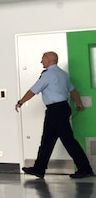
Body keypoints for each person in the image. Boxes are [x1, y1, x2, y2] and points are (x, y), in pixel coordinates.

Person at [15, 51, 94, 179]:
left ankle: (85, 168)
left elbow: (33, 90)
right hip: (61, 109)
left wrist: (21, 102)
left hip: (56, 111)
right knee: (47, 140)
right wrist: (78, 103)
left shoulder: (47, 75)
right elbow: (73, 91)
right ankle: (39, 168)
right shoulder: (63, 74)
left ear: (50, 60)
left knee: (68, 141)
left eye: (43, 59)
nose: (41, 61)